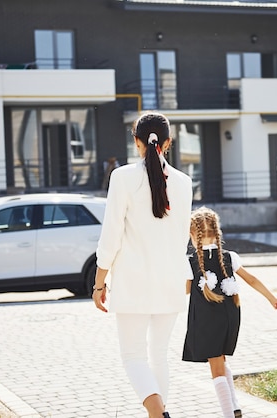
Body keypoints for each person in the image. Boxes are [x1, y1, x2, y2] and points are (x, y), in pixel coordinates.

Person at [93, 112, 193, 418]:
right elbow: (180, 239)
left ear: (136, 141)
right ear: (168, 143)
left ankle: (156, 413)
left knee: (133, 356)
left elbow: (110, 237)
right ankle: (160, 411)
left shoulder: (122, 178)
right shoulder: (184, 182)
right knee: (159, 355)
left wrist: (99, 284)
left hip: (133, 284)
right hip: (171, 283)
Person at [182, 207, 277, 418]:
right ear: (217, 233)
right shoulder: (230, 257)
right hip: (230, 318)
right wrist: (272, 298)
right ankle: (234, 405)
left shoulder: (189, 262)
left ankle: (229, 414)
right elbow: (252, 280)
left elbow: (183, 291)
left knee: (216, 369)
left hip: (206, 320)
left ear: (193, 235)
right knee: (221, 361)